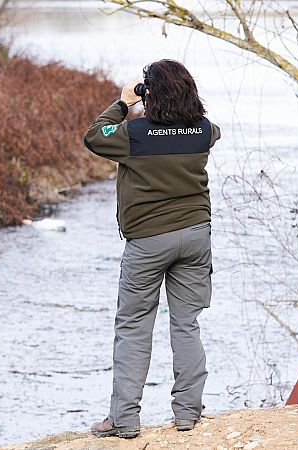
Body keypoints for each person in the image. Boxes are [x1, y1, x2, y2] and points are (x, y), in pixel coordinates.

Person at [83, 59, 221, 438]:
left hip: (147, 241)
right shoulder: (203, 131)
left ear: (151, 94)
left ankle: (124, 419)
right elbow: (213, 131)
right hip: (195, 236)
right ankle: (189, 414)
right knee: (186, 324)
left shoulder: (135, 134)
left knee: (134, 327)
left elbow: (95, 135)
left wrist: (124, 103)